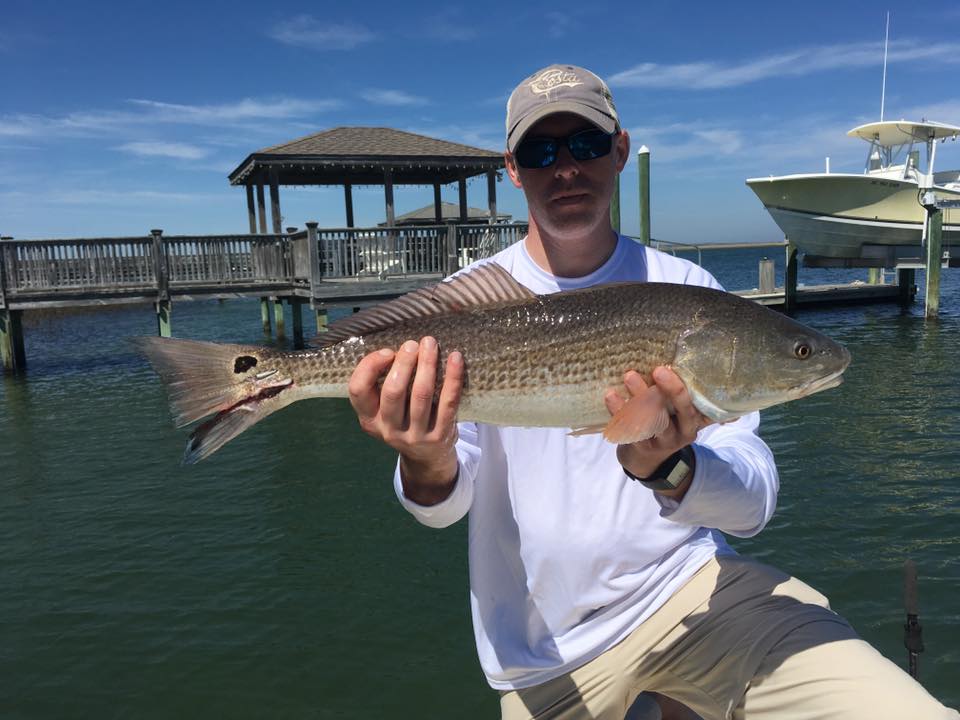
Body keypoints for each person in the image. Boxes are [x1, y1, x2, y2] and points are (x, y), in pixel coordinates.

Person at [348, 64, 958, 720]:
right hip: (542, 654)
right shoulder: (466, 308)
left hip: (694, 599)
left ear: (618, 150)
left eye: (584, 145)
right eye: (540, 150)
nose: (565, 168)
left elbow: (752, 503)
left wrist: (673, 469)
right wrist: (424, 459)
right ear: (514, 169)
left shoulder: (690, 289)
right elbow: (442, 507)